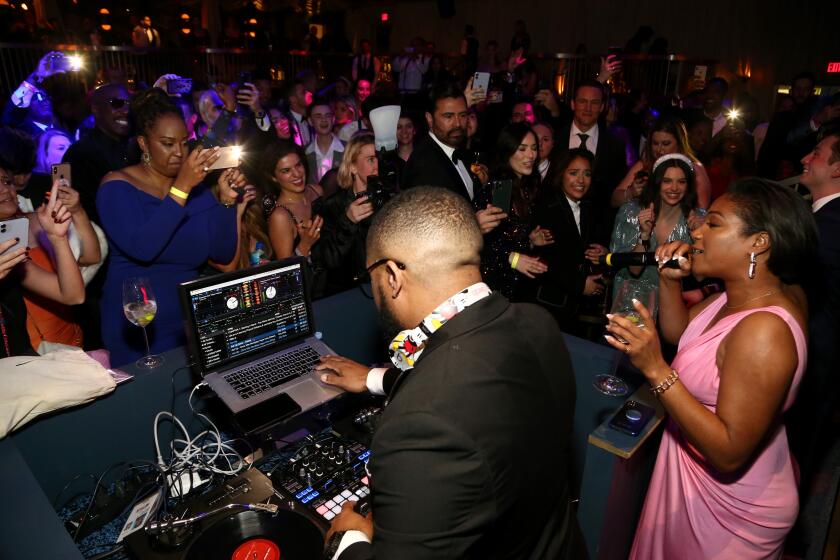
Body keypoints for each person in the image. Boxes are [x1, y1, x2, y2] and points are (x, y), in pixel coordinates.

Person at [316, 186, 584, 559]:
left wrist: (345, 541)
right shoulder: (537, 323)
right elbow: (473, 376)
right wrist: (374, 378)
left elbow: (445, 396)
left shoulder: (419, 426)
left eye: (372, 277)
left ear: (392, 275)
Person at [605, 178, 816, 559]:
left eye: (713, 224)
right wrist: (671, 283)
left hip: (729, 511)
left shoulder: (764, 331)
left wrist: (656, 369)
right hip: (700, 481)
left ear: (759, 242)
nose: (696, 232)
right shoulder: (739, 296)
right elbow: (682, 333)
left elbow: (729, 453)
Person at [95, 89, 241, 366]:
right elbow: (143, 247)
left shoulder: (197, 191)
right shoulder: (117, 185)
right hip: (138, 324)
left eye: (184, 143)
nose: (179, 152)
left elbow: (223, 253)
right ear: (143, 143)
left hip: (190, 322)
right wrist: (182, 187)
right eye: (167, 143)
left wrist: (226, 202)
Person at [786, 128, 840, 492]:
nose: (806, 159)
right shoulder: (823, 216)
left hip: (813, 362)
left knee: (787, 462)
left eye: (817, 153)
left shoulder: (830, 226)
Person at [402, 82, 504, 234]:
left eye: (463, 115)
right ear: (429, 119)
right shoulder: (424, 164)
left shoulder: (456, 150)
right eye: (448, 116)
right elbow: (426, 231)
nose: (457, 123)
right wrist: (473, 226)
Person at [0, 177, 84, 358]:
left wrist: (58, 238)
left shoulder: (8, 249)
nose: (4, 189)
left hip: (21, 366)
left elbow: (73, 296)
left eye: (6, 181)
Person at [610, 154, 697, 317]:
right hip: (632, 307)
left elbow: (701, 274)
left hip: (674, 310)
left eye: (681, 181)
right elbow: (634, 270)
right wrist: (644, 235)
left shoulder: (697, 219)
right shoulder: (631, 212)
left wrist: (698, 236)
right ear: (657, 183)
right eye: (667, 181)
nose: (674, 188)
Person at [533, 149, 610, 331]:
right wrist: (579, 284)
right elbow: (545, 260)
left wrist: (602, 252)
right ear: (561, 174)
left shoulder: (588, 208)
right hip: (548, 305)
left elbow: (580, 248)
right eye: (574, 173)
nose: (581, 181)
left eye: (587, 174)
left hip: (576, 308)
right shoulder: (547, 207)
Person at [481, 123, 548, 300]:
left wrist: (530, 242)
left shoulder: (525, 188)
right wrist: (514, 258)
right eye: (522, 149)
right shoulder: (501, 190)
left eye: (534, 148)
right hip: (496, 290)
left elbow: (508, 239)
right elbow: (483, 246)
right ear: (507, 152)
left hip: (517, 288)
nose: (531, 155)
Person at [317, 132, 377, 295]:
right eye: (371, 159)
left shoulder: (388, 199)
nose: (377, 165)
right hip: (350, 294)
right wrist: (348, 221)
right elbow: (328, 260)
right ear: (352, 166)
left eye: (379, 158)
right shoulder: (334, 206)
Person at [62, 83, 132, 223]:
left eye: (129, 104)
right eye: (116, 103)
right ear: (96, 109)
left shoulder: (137, 146)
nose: (126, 110)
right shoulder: (78, 154)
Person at [556, 80, 628, 212]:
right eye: (582, 101)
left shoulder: (615, 145)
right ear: (573, 104)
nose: (588, 108)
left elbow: (615, 190)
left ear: (602, 107)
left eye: (594, 103)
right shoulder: (555, 137)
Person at [612, 115, 711, 210]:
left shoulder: (694, 169)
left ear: (679, 143)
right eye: (655, 143)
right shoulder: (646, 164)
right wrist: (631, 193)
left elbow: (701, 214)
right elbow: (614, 200)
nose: (659, 150)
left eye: (666, 144)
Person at [262, 141, 324, 260]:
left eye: (298, 165)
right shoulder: (280, 216)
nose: (297, 174)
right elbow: (287, 272)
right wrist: (304, 246)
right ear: (273, 177)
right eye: (286, 171)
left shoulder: (316, 191)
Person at [305, 99, 345, 184]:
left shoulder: (348, 148)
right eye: (318, 116)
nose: (324, 119)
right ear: (310, 121)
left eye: (328, 116)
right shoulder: (304, 153)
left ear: (333, 119)